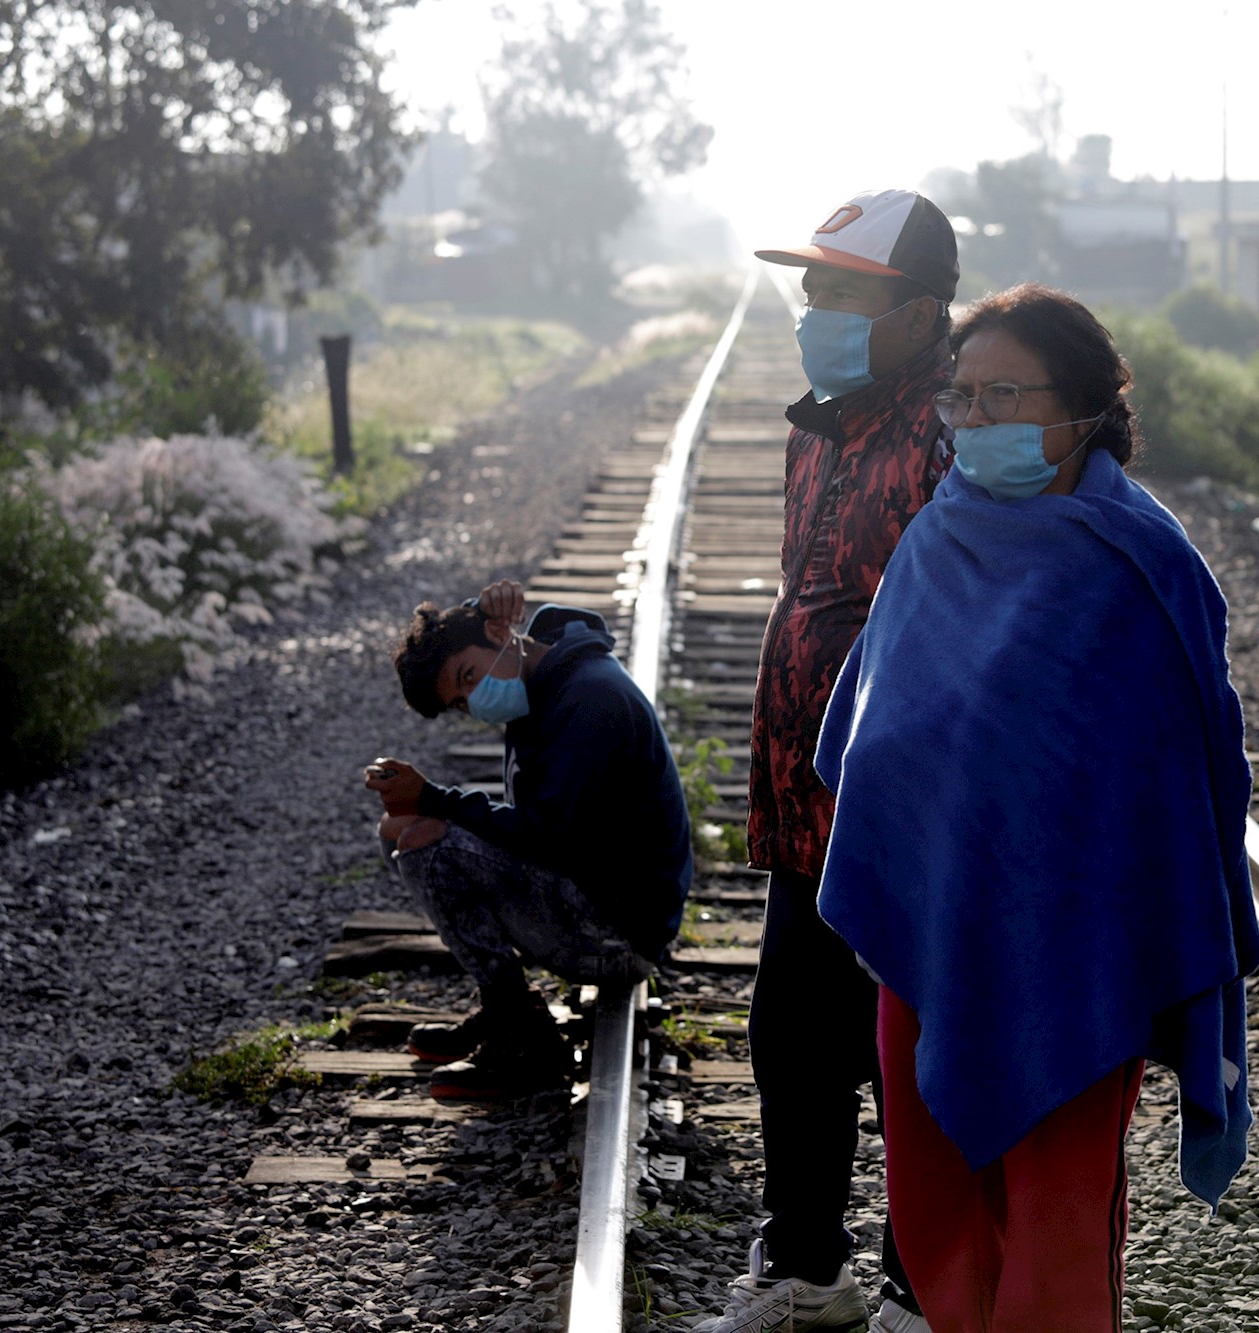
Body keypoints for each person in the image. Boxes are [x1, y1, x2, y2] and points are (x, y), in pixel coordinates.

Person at [813, 283, 1259, 1333]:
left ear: (1082, 409)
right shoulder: (934, 544)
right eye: (959, 399)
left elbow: (1187, 786)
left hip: (1075, 971)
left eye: (1001, 395)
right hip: (925, 945)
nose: (972, 424)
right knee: (933, 1224)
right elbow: (869, 744)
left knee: (1056, 1245)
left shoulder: (1139, 567)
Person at [695, 189, 956, 1333]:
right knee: (791, 1037)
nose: (814, 309)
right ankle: (806, 1268)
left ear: (917, 315)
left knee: (910, 1053)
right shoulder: (821, 431)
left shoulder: (951, 437)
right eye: (811, 288)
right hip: (805, 813)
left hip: (907, 818)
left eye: (842, 292)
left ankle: (922, 1287)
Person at [365, 579, 692, 1102]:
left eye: (468, 677)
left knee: (427, 839)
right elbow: (490, 635)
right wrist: (476, 610)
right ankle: (506, 1011)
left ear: (501, 634)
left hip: (620, 937)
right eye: (461, 701)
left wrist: (435, 798)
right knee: (398, 829)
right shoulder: (541, 674)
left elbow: (548, 837)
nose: (474, 699)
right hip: (589, 897)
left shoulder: (588, 699)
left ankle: (524, 1043)